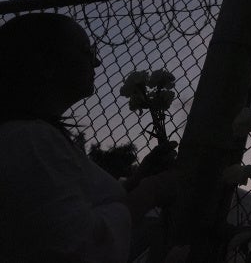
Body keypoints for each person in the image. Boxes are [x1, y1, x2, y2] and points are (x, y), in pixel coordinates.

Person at [0, 13, 175, 263]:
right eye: (87, 52)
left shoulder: (29, 137)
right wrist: (151, 192)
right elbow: (75, 248)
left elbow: (65, 207)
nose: (97, 63)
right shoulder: (30, 140)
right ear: (46, 64)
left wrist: (137, 181)